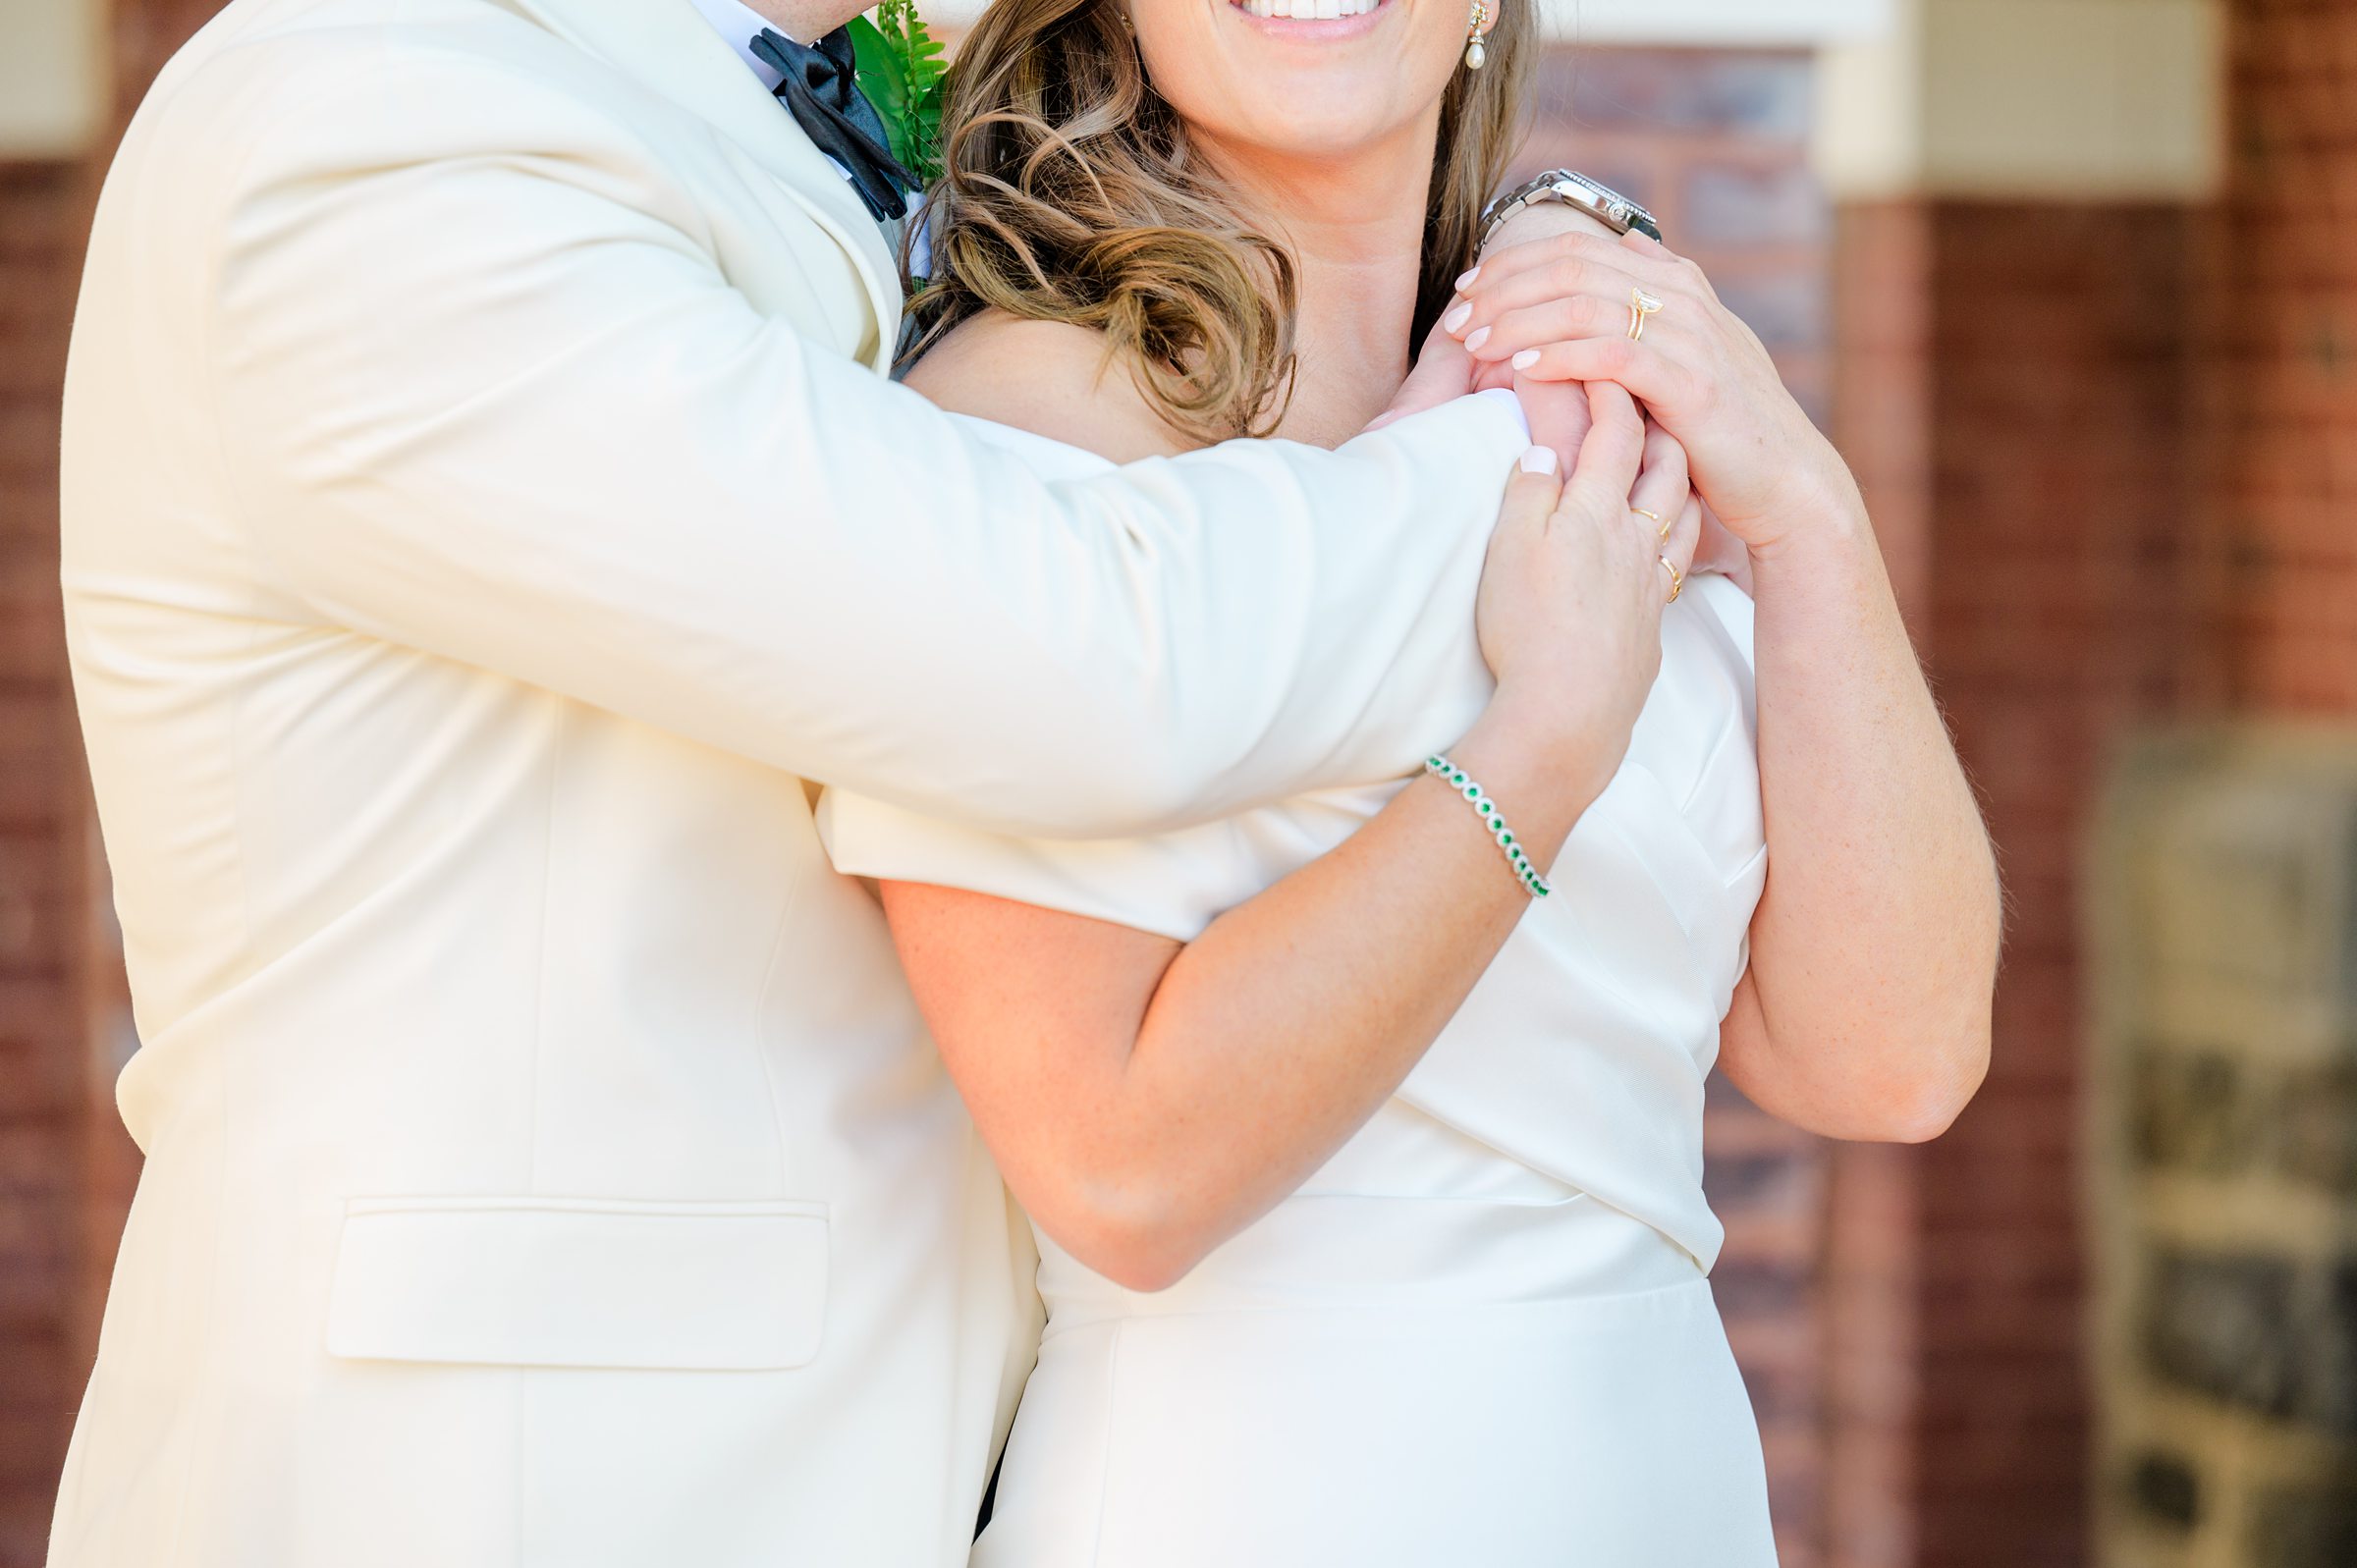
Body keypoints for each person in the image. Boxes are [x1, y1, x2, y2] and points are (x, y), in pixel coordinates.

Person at [48, 1, 1701, 1567]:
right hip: (513, 1483)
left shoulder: (796, 100)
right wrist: (1528, 420)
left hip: (911, 1458)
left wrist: (1540, 226)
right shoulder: (371, 131)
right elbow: (1074, 656)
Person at [815, 0, 2001, 1559]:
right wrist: (1543, 750)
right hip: (1255, 1498)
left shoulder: (1604, 409)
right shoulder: (1012, 437)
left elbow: (1892, 1060)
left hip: (1663, 1495)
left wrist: (1803, 505)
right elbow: (1125, 1168)